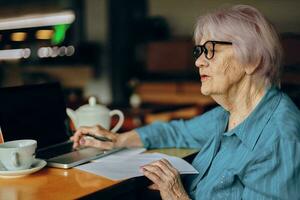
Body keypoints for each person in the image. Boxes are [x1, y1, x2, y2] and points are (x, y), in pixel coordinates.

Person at [71, 4, 300, 200]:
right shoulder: (229, 114)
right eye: (199, 51)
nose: (199, 61)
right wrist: (119, 139)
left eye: (210, 50)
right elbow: (178, 132)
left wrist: (177, 196)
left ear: (253, 60)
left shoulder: (279, 141)